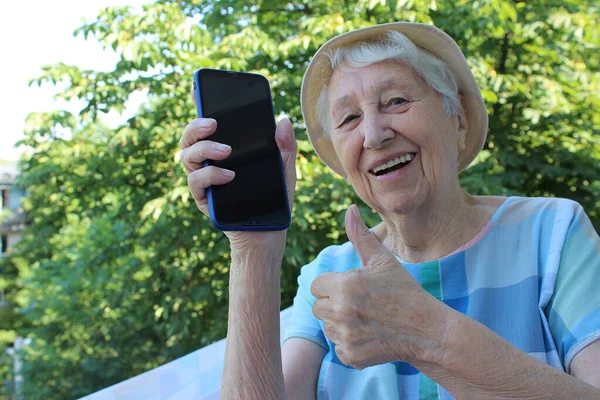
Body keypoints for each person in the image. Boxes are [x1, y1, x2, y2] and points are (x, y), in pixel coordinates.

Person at [179, 22, 600, 399]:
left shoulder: (553, 233)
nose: (375, 134)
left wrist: (422, 332)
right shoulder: (328, 277)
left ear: (457, 120)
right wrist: (254, 249)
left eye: (396, 100)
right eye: (348, 119)